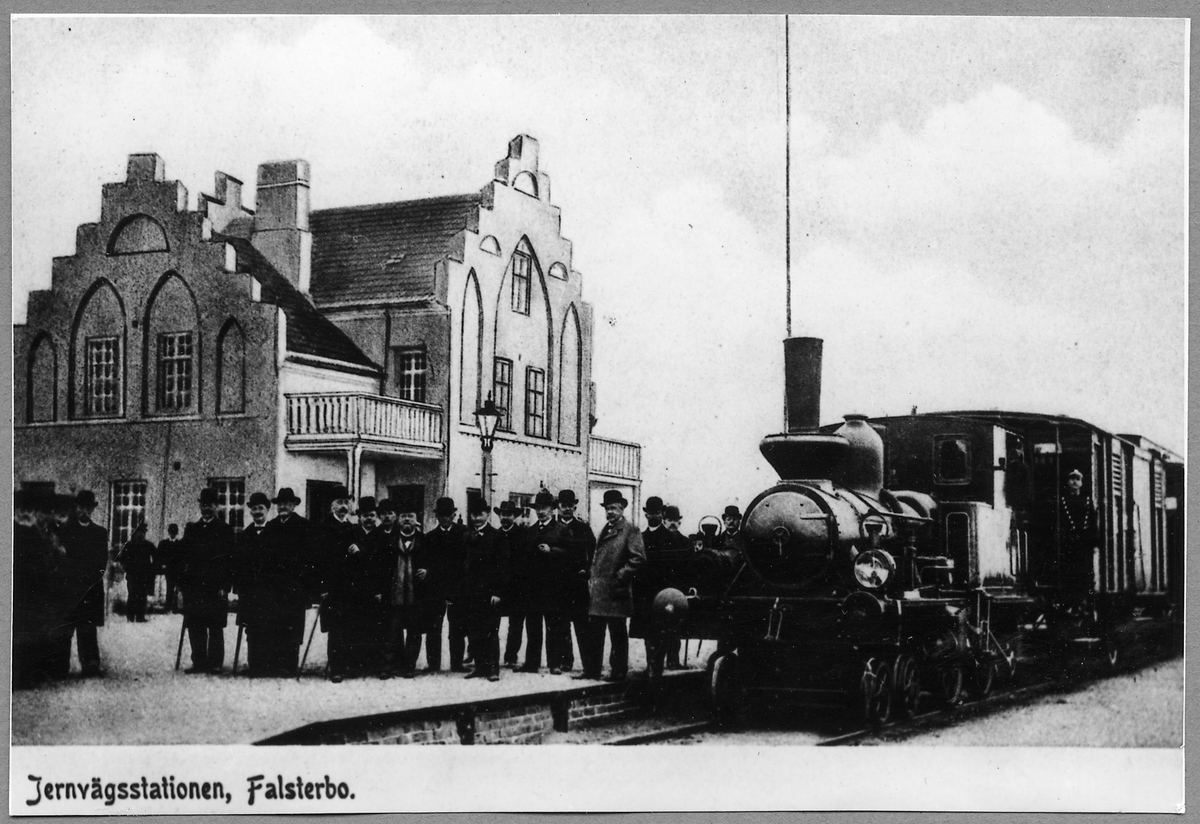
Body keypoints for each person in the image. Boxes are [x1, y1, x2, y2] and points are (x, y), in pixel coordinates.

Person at [578, 489, 645, 682]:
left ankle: (618, 672)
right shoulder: (606, 529)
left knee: (617, 634)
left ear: (622, 509)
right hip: (600, 592)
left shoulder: (630, 530)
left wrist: (620, 577)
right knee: (595, 633)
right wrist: (591, 573)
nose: (610, 512)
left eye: (614, 508)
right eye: (607, 508)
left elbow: (638, 558)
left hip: (616, 591)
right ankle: (592, 670)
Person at [179, 488, 236, 674]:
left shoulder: (225, 530)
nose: (207, 508)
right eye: (204, 505)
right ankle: (199, 661)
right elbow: (184, 558)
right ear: (200, 506)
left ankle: (216, 662)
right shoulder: (191, 530)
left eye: (211, 505)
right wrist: (184, 585)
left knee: (215, 625)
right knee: (196, 624)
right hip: (195, 587)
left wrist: (225, 586)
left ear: (216, 506)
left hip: (216, 587)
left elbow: (229, 561)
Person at [13, 490, 65, 688]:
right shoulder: (16, 531)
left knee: (32, 632)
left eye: (31, 510)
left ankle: (30, 674)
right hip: (19, 589)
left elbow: (48, 560)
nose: (28, 514)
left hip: (36, 590)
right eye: (23, 509)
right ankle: (20, 675)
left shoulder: (39, 534)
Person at [313, 487, 365, 683]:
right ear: (332, 505)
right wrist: (322, 587)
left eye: (346, 502)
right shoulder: (322, 528)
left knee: (351, 626)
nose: (343, 506)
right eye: (339, 502)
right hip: (333, 588)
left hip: (351, 587)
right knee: (335, 629)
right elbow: (317, 561)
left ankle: (349, 665)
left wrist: (358, 551)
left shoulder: (354, 529)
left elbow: (362, 561)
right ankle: (336, 668)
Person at [55, 490, 109, 677]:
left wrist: (89, 581)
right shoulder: (64, 531)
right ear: (75, 507)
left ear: (92, 509)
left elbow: (101, 563)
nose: (83, 511)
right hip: (68, 589)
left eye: (87, 508)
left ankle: (91, 666)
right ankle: (59, 667)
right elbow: (60, 560)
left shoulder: (100, 533)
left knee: (88, 629)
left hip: (89, 590)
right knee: (65, 630)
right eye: (80, 507)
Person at [413, 496, 468, 672]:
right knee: (433, 627)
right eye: (441, 515)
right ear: (437, 516)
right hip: (436, 590)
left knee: (457, 626)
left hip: (456, 591)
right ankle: (433, 664)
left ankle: (457, 664)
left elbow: (466, 562)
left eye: (448, 514)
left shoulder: (464, 534)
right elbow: (425, 562)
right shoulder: (430, 537)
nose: (445, 518)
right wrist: (427, 572)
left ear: (454, 515)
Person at [259, 487, 310, 676]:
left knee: (293, 626)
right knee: (276, 624)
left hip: (295, 586)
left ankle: (289, 665)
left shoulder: (303, 526)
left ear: (293, 505)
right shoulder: (271, 526)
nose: (283, 507)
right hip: (275, 587)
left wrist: (304, 585)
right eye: (280, 504)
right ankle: (275, 664)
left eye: (287, 503)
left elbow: (308, 558)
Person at [461, 496, 508, 681]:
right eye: (474, 514)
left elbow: (502, 567)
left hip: (489, 593)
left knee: (490, 631)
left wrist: (497, 592)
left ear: (487, 514)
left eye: (480, 514)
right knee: (474, 631)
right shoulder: (466, 536)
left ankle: (493, 668)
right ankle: (480, 667)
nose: (477, 518)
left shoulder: (497, 536)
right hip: (471, 593)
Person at [514, 492, 562, 673]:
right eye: (538, 508)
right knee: (533, 626)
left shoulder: (561, 529)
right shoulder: (530, 531)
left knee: (553, 626)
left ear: (552, 509)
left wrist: (552, 550)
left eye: (545, 508)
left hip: (553, 587)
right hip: (533, 588)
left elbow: (572, 555)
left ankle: (554, 664)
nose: (541, 512)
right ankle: (531, 663)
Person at [378, 500, 423, 679]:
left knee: (414, 633)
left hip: (416, 595)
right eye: (403, 516)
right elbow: (380, 568)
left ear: (416, 519)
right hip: (394, 595)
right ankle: (388, 666)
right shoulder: (388, 541)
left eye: (410, 516)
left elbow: (433, 563)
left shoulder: (424, 541)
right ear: (398, 519)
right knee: (391, 632)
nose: (407, 520)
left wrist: (427, 571)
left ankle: (409, 666)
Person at [552, 489, 594, 674]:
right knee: (561, 625)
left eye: (570, 505)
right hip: (559, 583)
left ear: (575, 507)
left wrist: (587, 569)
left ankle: (588, 663)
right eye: (564, 505)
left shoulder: (583, 528)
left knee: (582, 624)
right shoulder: (553, 527)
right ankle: (565, 661)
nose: (567, 509)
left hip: (578, 582)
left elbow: (593, 551)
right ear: (558, 507)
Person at [235, 492, 271, 675]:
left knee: (269, 627)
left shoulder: (275, 533)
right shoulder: (245, 535)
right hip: (250, 592)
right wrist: (239, 588)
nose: (257, 512)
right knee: (252, 628)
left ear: (267, 510)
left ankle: (268, 665)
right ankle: (254, 665)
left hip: (270, 591)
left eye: (261, 508)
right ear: (250, 511)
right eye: (254, 508)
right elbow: (239, 564)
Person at [494, 500, 528, 669]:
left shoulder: (523, 535)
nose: (505, 518)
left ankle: (510, 656)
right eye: (503, 514)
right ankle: (486, 655)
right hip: (498, 587)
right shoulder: (495, 535)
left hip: (517, 588)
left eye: (509, 514)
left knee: (516, 625)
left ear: (514, 516)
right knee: (491, 622)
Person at [1059, 468, 1098, 597]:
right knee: (1069, 572)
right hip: (1069, 543)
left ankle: (1085, 599)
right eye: (1072, 479)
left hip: (1084, 543)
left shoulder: (1087, 501)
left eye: (1077, 479)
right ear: (1067, 481)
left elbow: (1093, 523)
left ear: (1081, 483)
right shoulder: (1063, 501)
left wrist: (1094, 543)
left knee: (1085, 572)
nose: (1074, 482)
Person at [117, 522, 156, 623]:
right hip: (132, 575)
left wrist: (150, 569)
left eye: (143, 533)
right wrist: (127, 568)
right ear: (135, 533)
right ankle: (130, 617)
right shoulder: (129, 545)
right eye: (139, 532)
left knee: (142, 596)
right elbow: (122, 559)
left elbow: (156, 557)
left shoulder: (148, 545)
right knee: (132, 595)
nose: (141, 535)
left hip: (144, 576)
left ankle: (140, 617)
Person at [158, 523, 183, 613]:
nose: (173, 534)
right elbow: (159, 556)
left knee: (176, 589)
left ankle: (175, 607)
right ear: (169, 532)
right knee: (169, 588)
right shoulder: (164, 544)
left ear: (177, 533)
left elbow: (182, 557)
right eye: (171, 532)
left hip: (177, 570)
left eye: (174, 532)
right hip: (168, 569)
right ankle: (168, 606)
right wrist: (162, 565)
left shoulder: (180, 544)